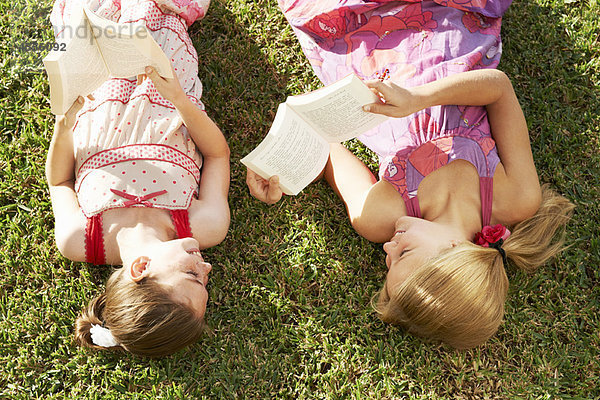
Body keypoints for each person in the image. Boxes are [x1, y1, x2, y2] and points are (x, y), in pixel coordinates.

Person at [246, 0, 573, 349]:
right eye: (402, 255)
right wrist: (419, 98)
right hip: (446, 38)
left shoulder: (377, 215)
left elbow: (321, 145)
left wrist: (282, 168)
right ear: (452, 250)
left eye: (387, 262)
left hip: (373, 53)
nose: (388, 246)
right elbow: (499, 89)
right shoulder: (517, 198)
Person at [46, 0, 229, 357]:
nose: (206, 266)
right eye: (208, 279)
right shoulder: (205, 225)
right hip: (164, 79)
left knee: (87, 15)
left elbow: (60, 181)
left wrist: (64, 126)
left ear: (141, 267)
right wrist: (177, 96)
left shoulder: (79, 240)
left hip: (96, 86)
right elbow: (217, 154)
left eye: (194, 276)